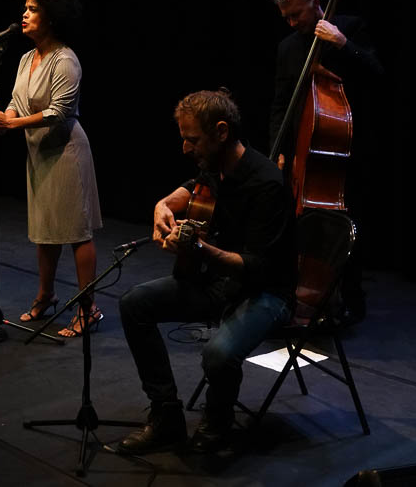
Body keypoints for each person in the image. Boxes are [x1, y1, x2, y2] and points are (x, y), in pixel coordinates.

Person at [117, 90, 297, 454]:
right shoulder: (215, 167)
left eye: (193, 139)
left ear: (221, 132)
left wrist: (198, 249)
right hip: (220, 283)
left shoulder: (267, 184)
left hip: (266, 292)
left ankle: (217, 424)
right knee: (134, 304)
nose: (185, 148)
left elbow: (259, 267)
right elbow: (193, 188)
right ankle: (166, 415)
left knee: (218, 353)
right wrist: (162, 205)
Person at [0, 0, 103, 338]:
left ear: (51, 16)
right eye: (25, 8)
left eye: (33, 9)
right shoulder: (26, 59)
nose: (24, 15)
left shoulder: (65, 60)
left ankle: (89, 308)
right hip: (39, 154)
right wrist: (2, 120)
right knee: (45, 229)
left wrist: (12, 125)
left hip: (67, 151)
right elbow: (17, 102)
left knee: (77, 231)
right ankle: (46, 295)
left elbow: (59, 112)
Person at [270, 0, 383, 325]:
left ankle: (350, 300)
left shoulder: (350, 28)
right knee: (296, 226)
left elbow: (377, 75)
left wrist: (342, 43)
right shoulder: (288, 47)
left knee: (345, 225)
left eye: (296, 14)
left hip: (345, 148)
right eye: (286, 17)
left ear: (316, 2)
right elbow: (281, 104)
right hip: (303, 152)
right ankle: (304, 296)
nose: (292, 23)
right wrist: (280, 150)